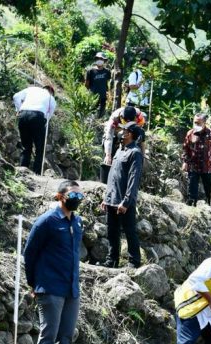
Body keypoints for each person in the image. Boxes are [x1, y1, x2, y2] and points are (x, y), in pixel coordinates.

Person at [24, 180, 84, 344]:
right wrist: (34, 283)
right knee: (47, 337)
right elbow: (29, 254)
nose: (77, 199)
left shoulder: (76, 222)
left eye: (80, 196)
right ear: (60, 196)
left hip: (71, 289)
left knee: (65, 337)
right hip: (49, 287)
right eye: (73, 195)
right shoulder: (46, 222)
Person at [102, 123, 144, 269]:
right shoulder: (119, 150)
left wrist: (126, 202)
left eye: (124, 130)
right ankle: (111, 260)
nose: (121, 132)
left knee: (129, 231)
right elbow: (112, 176)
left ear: (130, 133)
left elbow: (133, 179)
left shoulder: (135, 153)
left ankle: (134, 262)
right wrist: (106, 197)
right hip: (112, 199)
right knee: (111, 231)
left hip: (125, 202)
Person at [13, 84, 56, 175]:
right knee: (40, 148)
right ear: (51, 92)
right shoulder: (50, 98)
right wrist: (45, 122)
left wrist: (18, 109)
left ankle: (22, 170)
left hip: (23, 115)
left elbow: (15, 96)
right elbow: (49, 114)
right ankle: (37, 173)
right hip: (38, 117)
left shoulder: (31, 89)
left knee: (26, 146)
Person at [181, 113, 211, 209]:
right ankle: (191, 210)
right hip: (193, 166)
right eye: (195, 122)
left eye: (198, 123)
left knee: (210, 191)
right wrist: (185, 161)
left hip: (207, 166)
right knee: (192, 190)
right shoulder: (190, 133)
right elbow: (186, 149)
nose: (196, 125)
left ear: (204, 123)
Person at [100, 105, 145, 184]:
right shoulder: (115, 117)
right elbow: (109, 137)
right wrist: (108, 155)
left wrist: (142, 155)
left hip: (131, 132)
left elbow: (140, 134)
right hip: (117, 131)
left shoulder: (139, 116)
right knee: (109, 143)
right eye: (126, 121)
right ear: (122, 117)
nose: (128, 123)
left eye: (130, 121)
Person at [85, 52, 112, 118]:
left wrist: (108, 92)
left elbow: (108, 82)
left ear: (104, 61)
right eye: (98, 58)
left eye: (101, 59)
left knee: (101, 113)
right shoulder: (90, 71)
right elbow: (86, 84)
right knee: (92, 112)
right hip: (93, 96)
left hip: (103, 96)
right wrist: (91, 91)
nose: (99, 60)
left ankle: (99, 124)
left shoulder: (107, 71)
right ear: (96, 59)